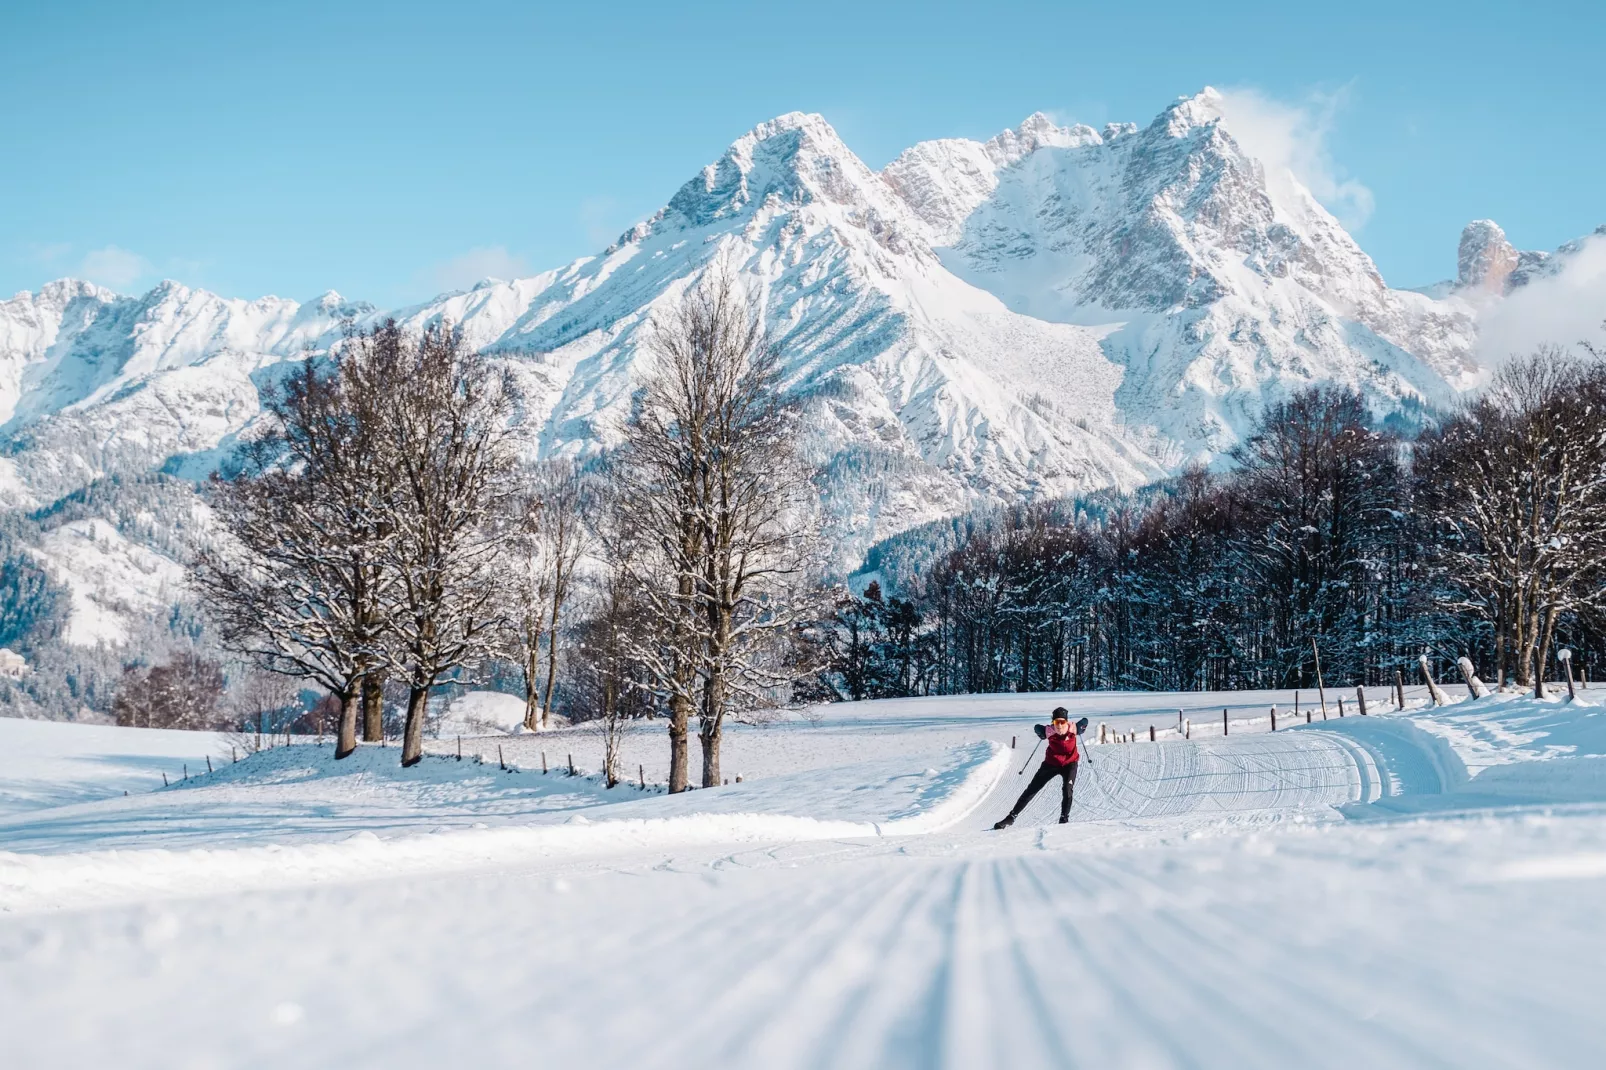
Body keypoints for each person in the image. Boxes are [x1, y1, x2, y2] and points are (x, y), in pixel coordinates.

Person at [994, 708, 1087, 828]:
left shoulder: (1073, 729)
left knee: (1067, 789)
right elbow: (1037, 727)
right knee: (1032, 789)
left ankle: (1064, 819)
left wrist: (1082, 726)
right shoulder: (1049, 731)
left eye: (1062, 722)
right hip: (1051, 763)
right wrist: (1040, 732)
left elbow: (1085, 720)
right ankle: (1011, 818)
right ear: (1053, 722)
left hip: (1070, 764)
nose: (1059, 725)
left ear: (1066, 722)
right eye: (1056, 722)